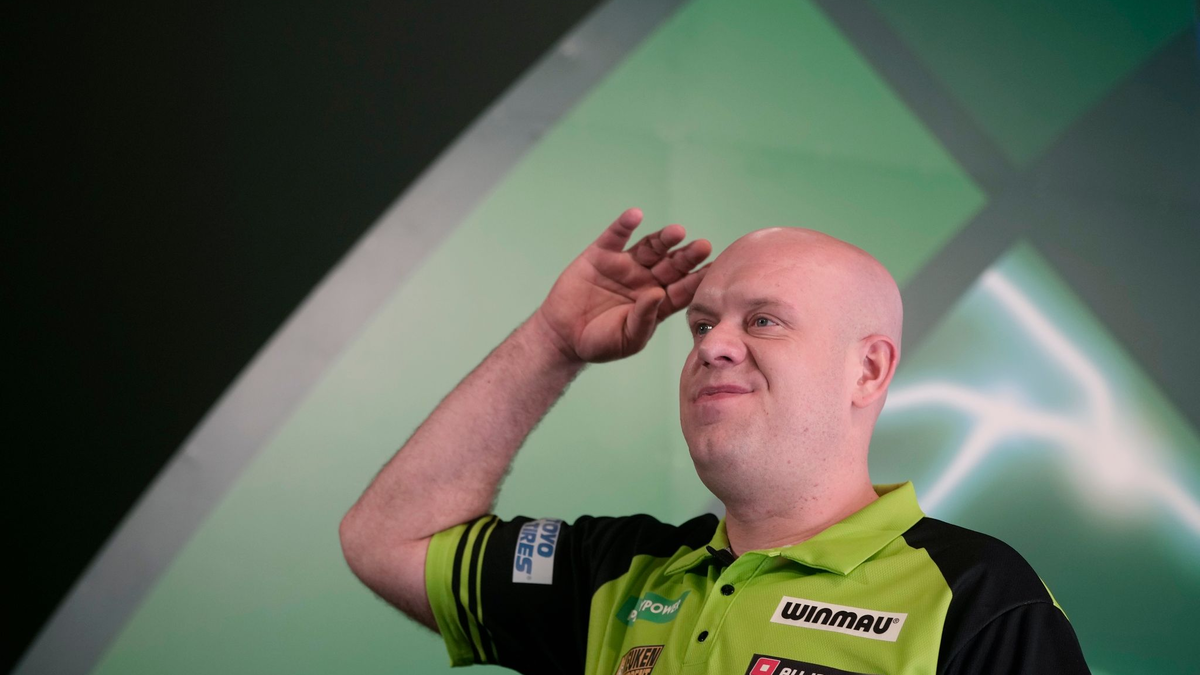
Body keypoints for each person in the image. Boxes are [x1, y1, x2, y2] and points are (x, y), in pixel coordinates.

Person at [339, 208, 1089, 675]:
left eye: (762, 320)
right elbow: (388, 540)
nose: (714, 346)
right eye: (702, 324)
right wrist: (552, 341)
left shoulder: (980, 598)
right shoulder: (620, 576)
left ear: (868, 368)